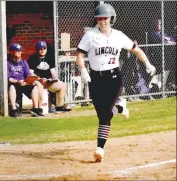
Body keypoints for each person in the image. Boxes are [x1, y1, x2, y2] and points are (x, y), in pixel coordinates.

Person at [76, 3, 156, 162]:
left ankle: (100, 148)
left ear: (111, 18)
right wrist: (83, 70)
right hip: (96, 78)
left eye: (105, 18)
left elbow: (136, 50)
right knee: (102, 114)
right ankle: (120, 107)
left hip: (114, 78)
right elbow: (79, 55)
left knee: (105, 115)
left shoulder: (118, 35)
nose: (102, 21)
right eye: (99, 18)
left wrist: (147, 64)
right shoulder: (90, 35)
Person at [27, 41, 71, 113]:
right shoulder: (33, 58)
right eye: (40, 48)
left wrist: (55, 78)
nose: (42, 50)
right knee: (37, 87)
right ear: (37, 49)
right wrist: (39, 78)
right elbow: (30, 72)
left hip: (48, 81)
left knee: (63, 85)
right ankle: (37, 108)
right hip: (38, 81)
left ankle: (59, 106)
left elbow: (52, 71)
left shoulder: (50, 57)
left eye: (44, 48)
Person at [7, 43, 44, 117]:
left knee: (35, 87)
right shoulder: (7, 63)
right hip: (14, 84)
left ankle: (35, 109)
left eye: (20, 51)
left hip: (24, 83)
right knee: (11, 87)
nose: (19, 53)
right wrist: (17, 81)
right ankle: (13, 109)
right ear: (11, 52)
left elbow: (28, 75)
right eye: (17, 51)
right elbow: (8, 78)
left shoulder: (24, 62)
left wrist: (30, 81)